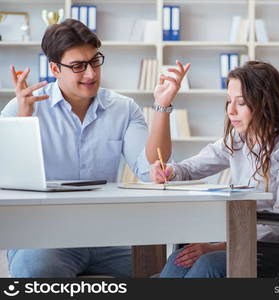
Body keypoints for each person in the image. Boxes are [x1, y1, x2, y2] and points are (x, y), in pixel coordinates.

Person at [1, 19, 189, 277]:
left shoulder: (123, 109)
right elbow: (9, 180)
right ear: (55, 68)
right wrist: (23, 121)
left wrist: (162, 105)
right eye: (78, 66)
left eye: (94, 61)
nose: (91, 74)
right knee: (35, 271)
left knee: (162, 271)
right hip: (46, 237)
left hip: (109, 235)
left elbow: (149, 169)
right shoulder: (21, 107)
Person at [150, 61, 279, 278]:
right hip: (252, 242)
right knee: (178, 261)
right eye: (228, 101)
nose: (231, 111)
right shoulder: (237, 140)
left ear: (265, 103)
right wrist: (168, 171)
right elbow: (189, 169)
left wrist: (218, 247)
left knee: (207, 263)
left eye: (241, 103)